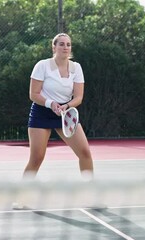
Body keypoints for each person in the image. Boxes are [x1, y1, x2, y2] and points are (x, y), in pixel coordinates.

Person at [23, 33, 94, 180]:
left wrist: (66, 106)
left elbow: (79, 97)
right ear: (54, 47)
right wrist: (51, 104)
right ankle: (21, 199)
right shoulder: (42, 66)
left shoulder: (76, 68)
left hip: (65, 113)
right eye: (61, 44)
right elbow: (34, 94)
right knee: (36, 158)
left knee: (85, 153)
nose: (65, 47)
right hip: (41, 112)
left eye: (68, 44)